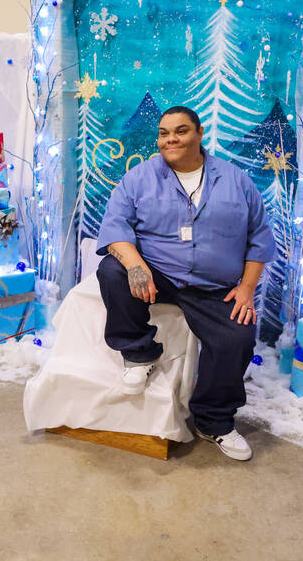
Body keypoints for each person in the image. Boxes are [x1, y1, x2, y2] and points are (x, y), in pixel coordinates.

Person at [94, 105, 276, 461]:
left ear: (199, 134)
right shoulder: (139, 178)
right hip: (160, 272)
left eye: (180, 131)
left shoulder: (236, 180)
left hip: (213, 285)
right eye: (163, 133)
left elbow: (259, 237)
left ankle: (214, 421)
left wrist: (247, 288)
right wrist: (136, 266)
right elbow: (115, 227)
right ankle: (138, 353)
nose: (170, 139)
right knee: (111, 271)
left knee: (237, 338)